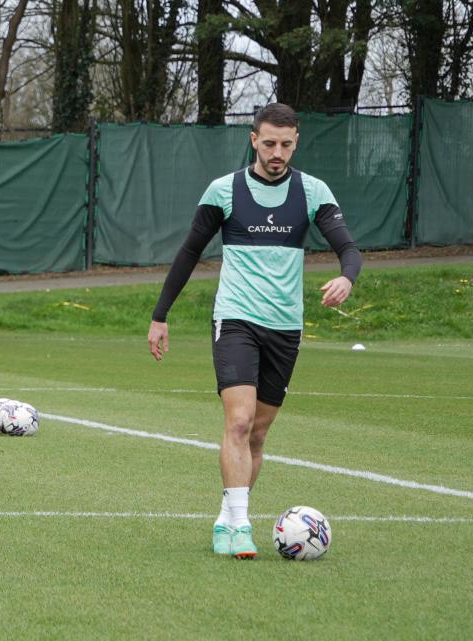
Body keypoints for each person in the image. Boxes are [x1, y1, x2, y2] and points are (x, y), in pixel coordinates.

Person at [147, 103, 362, 559]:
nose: (277, 152)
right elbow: (189, 253)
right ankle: (242, 526)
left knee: (258, 434)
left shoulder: (313, 191)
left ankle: (227, 517)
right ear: (253, 140)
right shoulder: (224, 191)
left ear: (296, 142)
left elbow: (348, 247)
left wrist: (347, 275)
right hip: (236, 319)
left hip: (285, 326)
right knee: (239, 421)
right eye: (269, 143)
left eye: (286, 144)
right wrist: (160, 314)